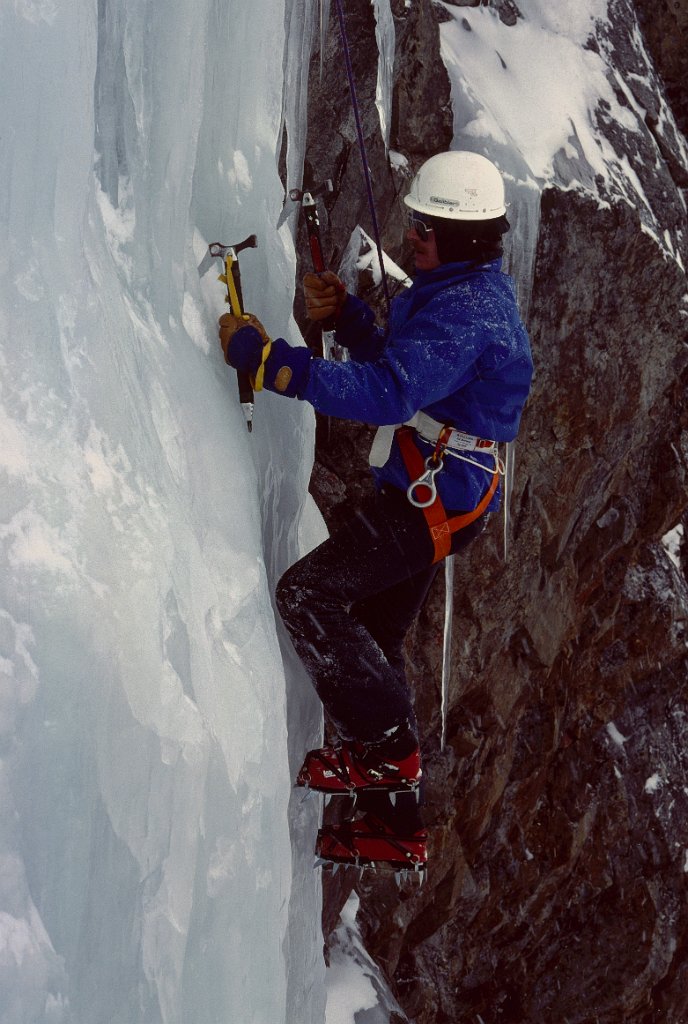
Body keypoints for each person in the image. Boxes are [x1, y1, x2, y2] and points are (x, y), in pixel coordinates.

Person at [219, 151, 533, 875]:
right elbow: (415, 368)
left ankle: (389, 756)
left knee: (308, 596)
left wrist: (274, 366)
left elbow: (394, 394)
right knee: (373, 632)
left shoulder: (471, 312)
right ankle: (395, 823)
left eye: (424, 229)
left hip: (430, 501)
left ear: (460, 238)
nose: (411, 236)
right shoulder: (460, 290)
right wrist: (353, 319)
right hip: (443, 495)